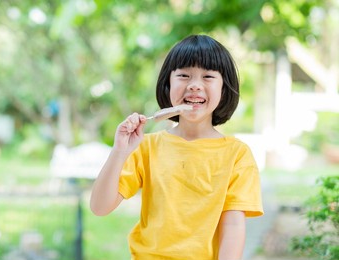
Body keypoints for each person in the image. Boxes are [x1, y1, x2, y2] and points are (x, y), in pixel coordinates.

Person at [90, 34, 264, 260]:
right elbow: (100, 207)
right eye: (183, 75)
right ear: (168, 83)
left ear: (224, 88)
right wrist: (120, 151)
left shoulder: (237, 154)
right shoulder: (147, 147)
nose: (194, 85)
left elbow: (232, 228)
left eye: (208, 76)